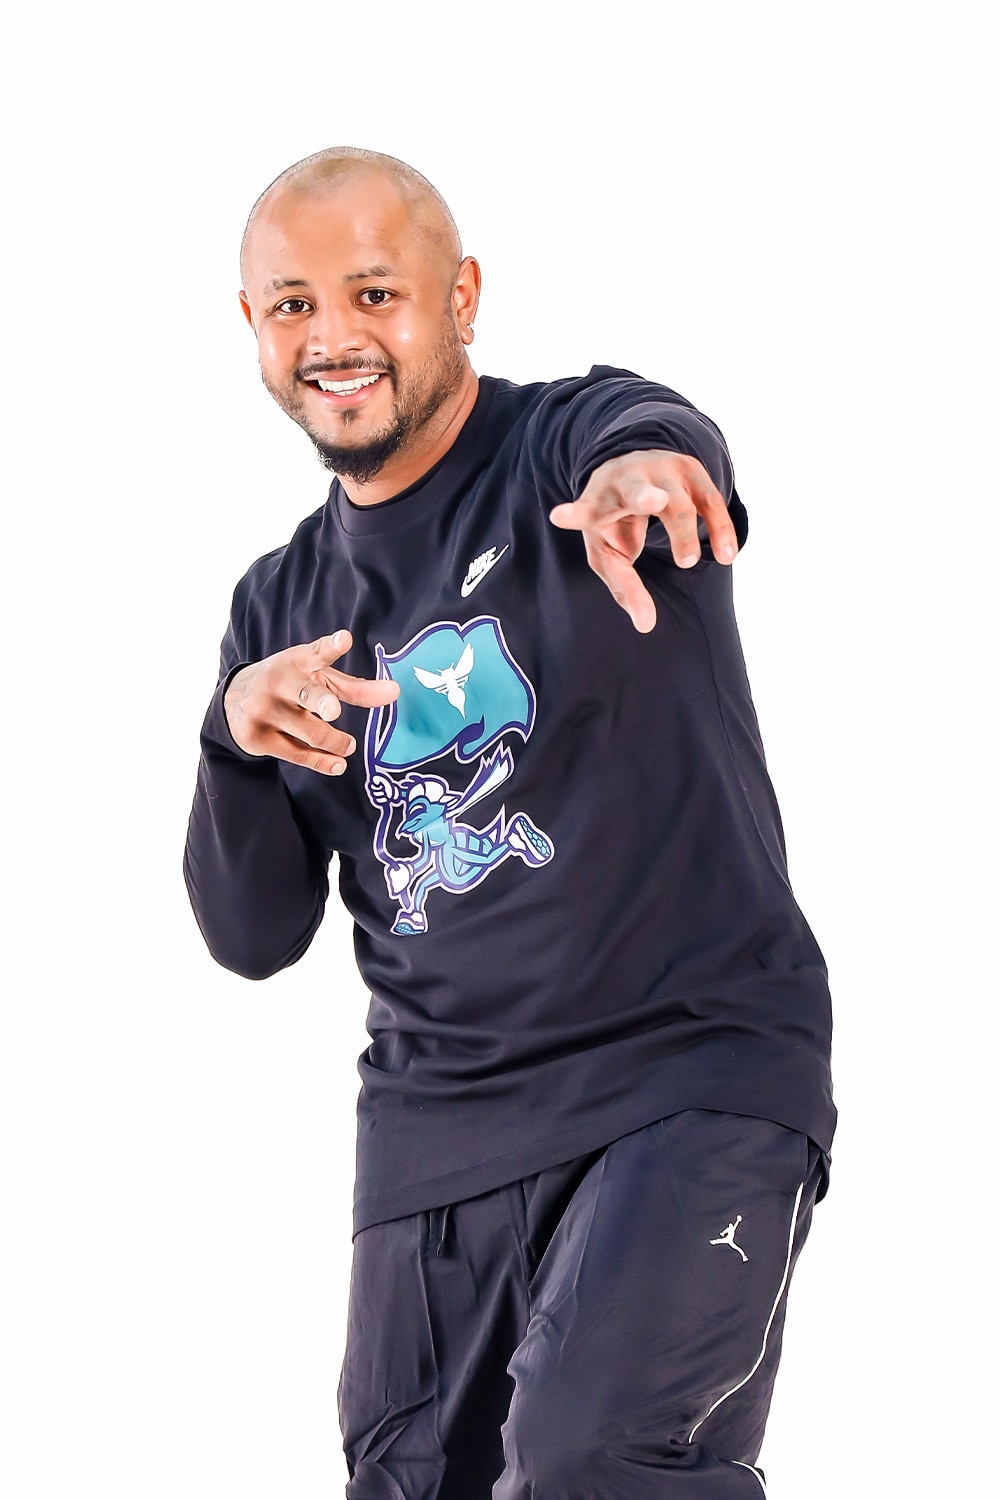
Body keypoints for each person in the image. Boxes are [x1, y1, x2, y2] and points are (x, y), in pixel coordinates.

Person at [184, 146, 835, 1498]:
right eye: (295, 304)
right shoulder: (278, 606)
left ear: (461, 296)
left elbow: (648, 429)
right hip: (436, 1139)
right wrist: (231, 739)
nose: (335, 337)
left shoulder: (563, 446)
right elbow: (252, 938)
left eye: (376, 293)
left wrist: (647, 470)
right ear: (252, 323)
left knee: (595, 1456)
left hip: (687, 1071)